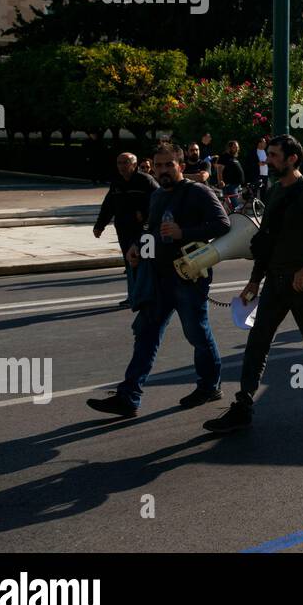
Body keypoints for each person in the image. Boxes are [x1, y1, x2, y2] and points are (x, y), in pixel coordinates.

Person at [203, 135, 303, 433]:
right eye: (269, 154)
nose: (269, 160)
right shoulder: (274, 192)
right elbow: (266, 242)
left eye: (274, 155)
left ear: (292, 159)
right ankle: (243, 406)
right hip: (275, 281)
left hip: (301, 286)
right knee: (257, 341)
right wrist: (254, 281)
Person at [87, 142, 230, 417]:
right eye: (159, 165)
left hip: (189, 276)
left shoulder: (198, 191)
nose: (163, 170)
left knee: (197, 333)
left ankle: (210, 385)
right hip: (159, 279)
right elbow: (151, 230)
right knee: (146, 334)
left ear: (181, 166)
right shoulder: (157, 196)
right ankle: (129, 396)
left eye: (169, 165)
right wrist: (138, 248)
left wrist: (183, 232)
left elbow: (222, 225)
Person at [93, 151, 157, 308]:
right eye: (119, 163)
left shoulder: (145, 180)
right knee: (130, 263)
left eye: (125, 162)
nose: (121, 166)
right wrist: (99, 226)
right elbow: (108, 206)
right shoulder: (117, 183)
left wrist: (145, 214)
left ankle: (148, 294)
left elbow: (159, 201)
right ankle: (133, 296)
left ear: (134, 165)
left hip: (144, 231)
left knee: (146, 262)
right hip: (124, 230)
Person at [215, 140, 245, 212]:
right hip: (230, 185)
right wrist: (220, 181)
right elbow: (219, 170)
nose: (237, 149)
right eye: (235, 147)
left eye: (237, 147)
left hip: (236, 185)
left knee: (235, 206)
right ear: (229, 148)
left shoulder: (233, 157)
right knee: (235, 207)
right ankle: (237, 220)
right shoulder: (224, 157)